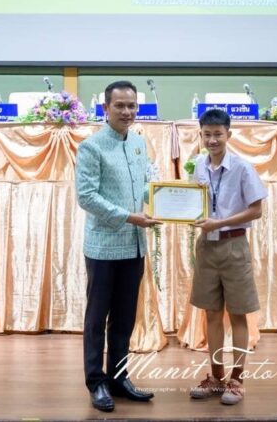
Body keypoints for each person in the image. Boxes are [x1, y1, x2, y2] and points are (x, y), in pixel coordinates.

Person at [75, 80, 160, 412]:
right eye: (120, 105)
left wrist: (165, 200)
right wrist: (128, 217)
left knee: (125, 319)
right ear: (106, 108)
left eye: (132, 105)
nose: (127, 111)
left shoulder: (138, 143)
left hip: (134, 246)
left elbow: (147, 184)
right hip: (103, 248)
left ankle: (119, 377)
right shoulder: (91, 147)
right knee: (97, 319)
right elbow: (86, 197)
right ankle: (96, 382)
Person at [188, 108, 267, 406]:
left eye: (218, 134)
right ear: (201, 134)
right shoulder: (198, 165)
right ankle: (216, 377)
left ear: (228, 135)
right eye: (207, 134)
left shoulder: (243, 168)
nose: (212, 140)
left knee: (237, 313)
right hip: (206, 247)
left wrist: (219, 223)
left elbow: (256, 210)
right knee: (211, 314)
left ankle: (238, 379)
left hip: (234, 245)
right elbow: (194, 202)